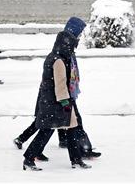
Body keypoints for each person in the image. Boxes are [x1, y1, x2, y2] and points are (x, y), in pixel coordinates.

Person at [22, 17, 94, 171]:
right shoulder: (59, 61)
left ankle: (76, 160)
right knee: (46, 132)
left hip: (55, 101)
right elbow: (60, 84)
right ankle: (28, 158)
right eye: (72, 45)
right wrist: (65, 102)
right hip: (56, 102)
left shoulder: (56, 56)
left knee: (72, 128)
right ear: (66, 45)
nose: (73, 48)